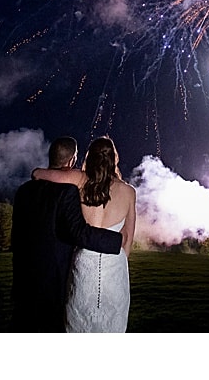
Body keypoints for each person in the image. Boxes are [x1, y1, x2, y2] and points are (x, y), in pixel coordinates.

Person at [10, 136, 123, 332]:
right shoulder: (67, 191)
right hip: (54, 280)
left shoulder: (23, 191)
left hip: (23, 278)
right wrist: (117, 240)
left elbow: (17, 234)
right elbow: (78, 232)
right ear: (71, 161)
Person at [64, 136, 137, 332]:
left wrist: (38, 172)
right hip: (114, 266)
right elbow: (128, 238)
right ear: (114, 158)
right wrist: (119, 265)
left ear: (91, 157)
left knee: (79, 324)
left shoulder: (80, 181)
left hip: (83, 264)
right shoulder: (128, 192)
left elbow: (49, 175)